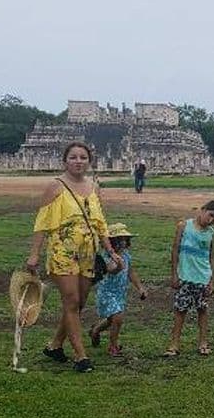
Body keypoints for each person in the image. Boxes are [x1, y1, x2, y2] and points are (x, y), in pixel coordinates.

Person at [25, 142, 123, 372]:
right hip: (63, 251)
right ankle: (81, 356)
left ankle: (55, 345)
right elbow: (42, 223)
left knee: (77, 304)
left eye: (82, 157)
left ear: (89, 161)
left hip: (88, 253)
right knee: (70, 300)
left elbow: (100, 223)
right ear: (65, 160)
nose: (78, 161)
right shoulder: (55, 187)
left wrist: (110, 250)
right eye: (73, 157)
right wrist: (34, 254)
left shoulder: (94, 187)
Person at [165, 199, 214, 357]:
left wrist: (212, 280)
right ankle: (174, 344)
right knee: (180, 310)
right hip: (185, 276)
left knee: (202, 310)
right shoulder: (183, 226)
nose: (211, 221)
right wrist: (174, 274)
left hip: (202, 278)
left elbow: (212, 257)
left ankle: (203, 342)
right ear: (203, 209)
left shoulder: (212, 234)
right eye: (210, 215)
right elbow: (175, 250)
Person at [88, 223, 148, 357]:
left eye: (124, 239)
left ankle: (95, 330)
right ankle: (113, 346)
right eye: (119, 239)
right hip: (107, 292)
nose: (122, 242)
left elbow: (131, 272)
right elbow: (111, 270)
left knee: (112, 319)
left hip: (120, 292)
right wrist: (118, 267)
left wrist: (140, 288)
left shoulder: (126, 255)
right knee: (118, 318)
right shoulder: (106, 256)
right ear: (111, 241)